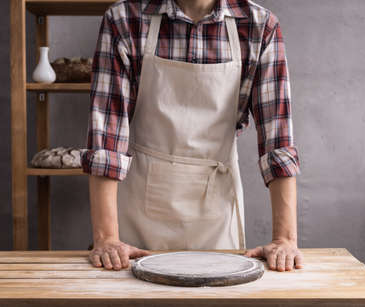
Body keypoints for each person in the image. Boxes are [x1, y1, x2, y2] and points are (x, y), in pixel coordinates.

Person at [81, 0, 304, 272]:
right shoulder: (124, 20)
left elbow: (276, 140)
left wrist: (285, 239)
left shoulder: (260, 26)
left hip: (216, 218)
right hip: (137, 219)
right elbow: (106, 139)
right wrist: (107, 239)